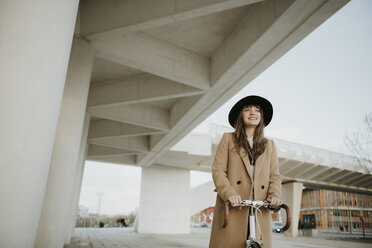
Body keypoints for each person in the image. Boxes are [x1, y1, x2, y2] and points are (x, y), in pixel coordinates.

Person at [209, 95, 282, 248]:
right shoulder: (228, 138)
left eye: (257, 110)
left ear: (261, 117)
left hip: (260, 207)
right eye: (247, 110)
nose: (253, 113)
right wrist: (229, 194)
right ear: (240, 115)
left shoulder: (270, 145)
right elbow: (218, 170)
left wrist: (274, 196)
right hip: (234, 207)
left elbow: (274, 175)